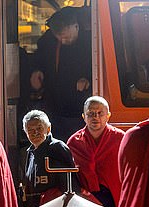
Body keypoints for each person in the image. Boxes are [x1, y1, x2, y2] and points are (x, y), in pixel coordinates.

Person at [30, 7, 92, 141]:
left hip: (78, 106)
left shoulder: (91, 41)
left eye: (67, 37)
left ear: (76, 26)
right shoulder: (48, 40)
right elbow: (39, 58)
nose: (63, 42)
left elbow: (100, 68)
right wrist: (37, 70)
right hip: (54, 103)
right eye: (59, 38)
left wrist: (88, 79)